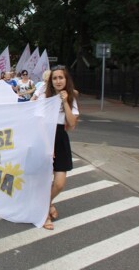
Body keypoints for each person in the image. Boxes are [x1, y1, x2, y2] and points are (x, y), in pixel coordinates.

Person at [38, 66, 79, 230]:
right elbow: (39, 122)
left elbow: (72, 123)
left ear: (66, 79)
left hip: (61, 138)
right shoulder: (44, 96)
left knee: (60, 183)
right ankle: (44, 214)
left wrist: (64, 101)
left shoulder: (70, 98)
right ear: (51, 81)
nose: (58, 81)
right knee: (45, 179)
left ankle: (45, 205)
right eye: (54, 78)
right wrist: (48, 145)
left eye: (61, 77)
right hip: (45, 137)